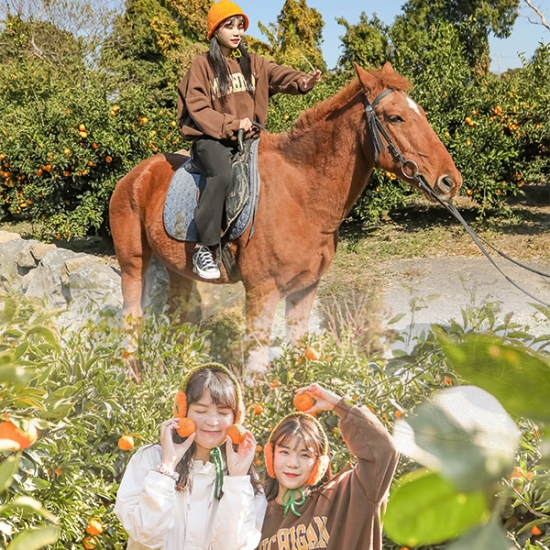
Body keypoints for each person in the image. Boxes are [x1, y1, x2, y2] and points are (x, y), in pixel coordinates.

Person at [177, 0, 321, 280]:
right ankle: (205, 248)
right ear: (214, 30)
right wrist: (232, 124)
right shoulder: (202, 65)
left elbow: (279, 74)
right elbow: (198, 108)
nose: (236, 31)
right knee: (221, 175)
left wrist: (302, 82)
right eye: (229, 26)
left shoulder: (253, 63)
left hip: (249, 139)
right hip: (212, 139)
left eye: (239, 25)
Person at [114, 363, 267, 550]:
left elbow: (234, 546)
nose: (212, 421)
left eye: (223, 412)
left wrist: (236, 480)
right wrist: (166, 467)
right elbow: (145, 534)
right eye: (201, 411)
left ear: (236, 418)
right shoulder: (150, 459)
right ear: (182, 411)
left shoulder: (245, 480)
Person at [258, 383, 399, 550]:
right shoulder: (255, 515)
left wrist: (338, 405)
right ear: (270, 455)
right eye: (284, 452)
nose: (292, 463)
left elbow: (383, 450)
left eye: (305, 454)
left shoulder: (346, 497)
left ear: (319, 464)